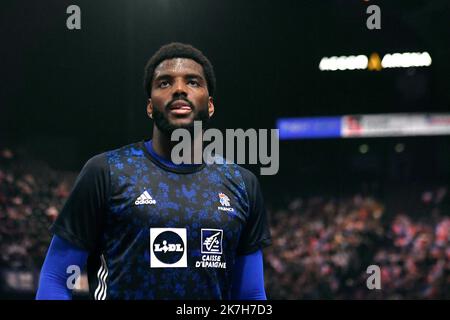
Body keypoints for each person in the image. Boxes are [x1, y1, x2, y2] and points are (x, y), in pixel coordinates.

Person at [36, 42, 272, 300]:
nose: (179, 90)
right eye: (164, 83)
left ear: (210, 105)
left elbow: (251, 294)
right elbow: (55, 279)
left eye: (193, 82)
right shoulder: (106, 171)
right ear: (150, 106)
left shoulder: (242, 183)